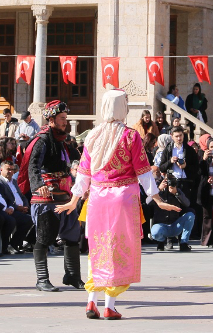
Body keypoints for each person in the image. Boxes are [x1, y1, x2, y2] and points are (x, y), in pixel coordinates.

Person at [55, 90, 181, 320]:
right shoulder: (131, 136)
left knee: (98, 250)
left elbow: (83, 174)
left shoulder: (93, 135)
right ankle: (109, 306)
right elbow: (143, 172)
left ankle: (91, 302)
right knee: (118, 252)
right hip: (123, 199)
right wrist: (158, 199)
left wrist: (74, 200)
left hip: (97, 199)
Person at [17, 100, 83, 292]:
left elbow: (75, 157)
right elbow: (33, 165)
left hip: (65, 196)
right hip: (46, 197)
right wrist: (39, 185)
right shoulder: (42, 140)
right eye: (62, 119)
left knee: (72, 235)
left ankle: (72, 275)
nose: (65, 122)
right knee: (45, 236)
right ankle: (42, 279)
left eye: (66, 119)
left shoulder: (63, 140)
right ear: (51, 119)